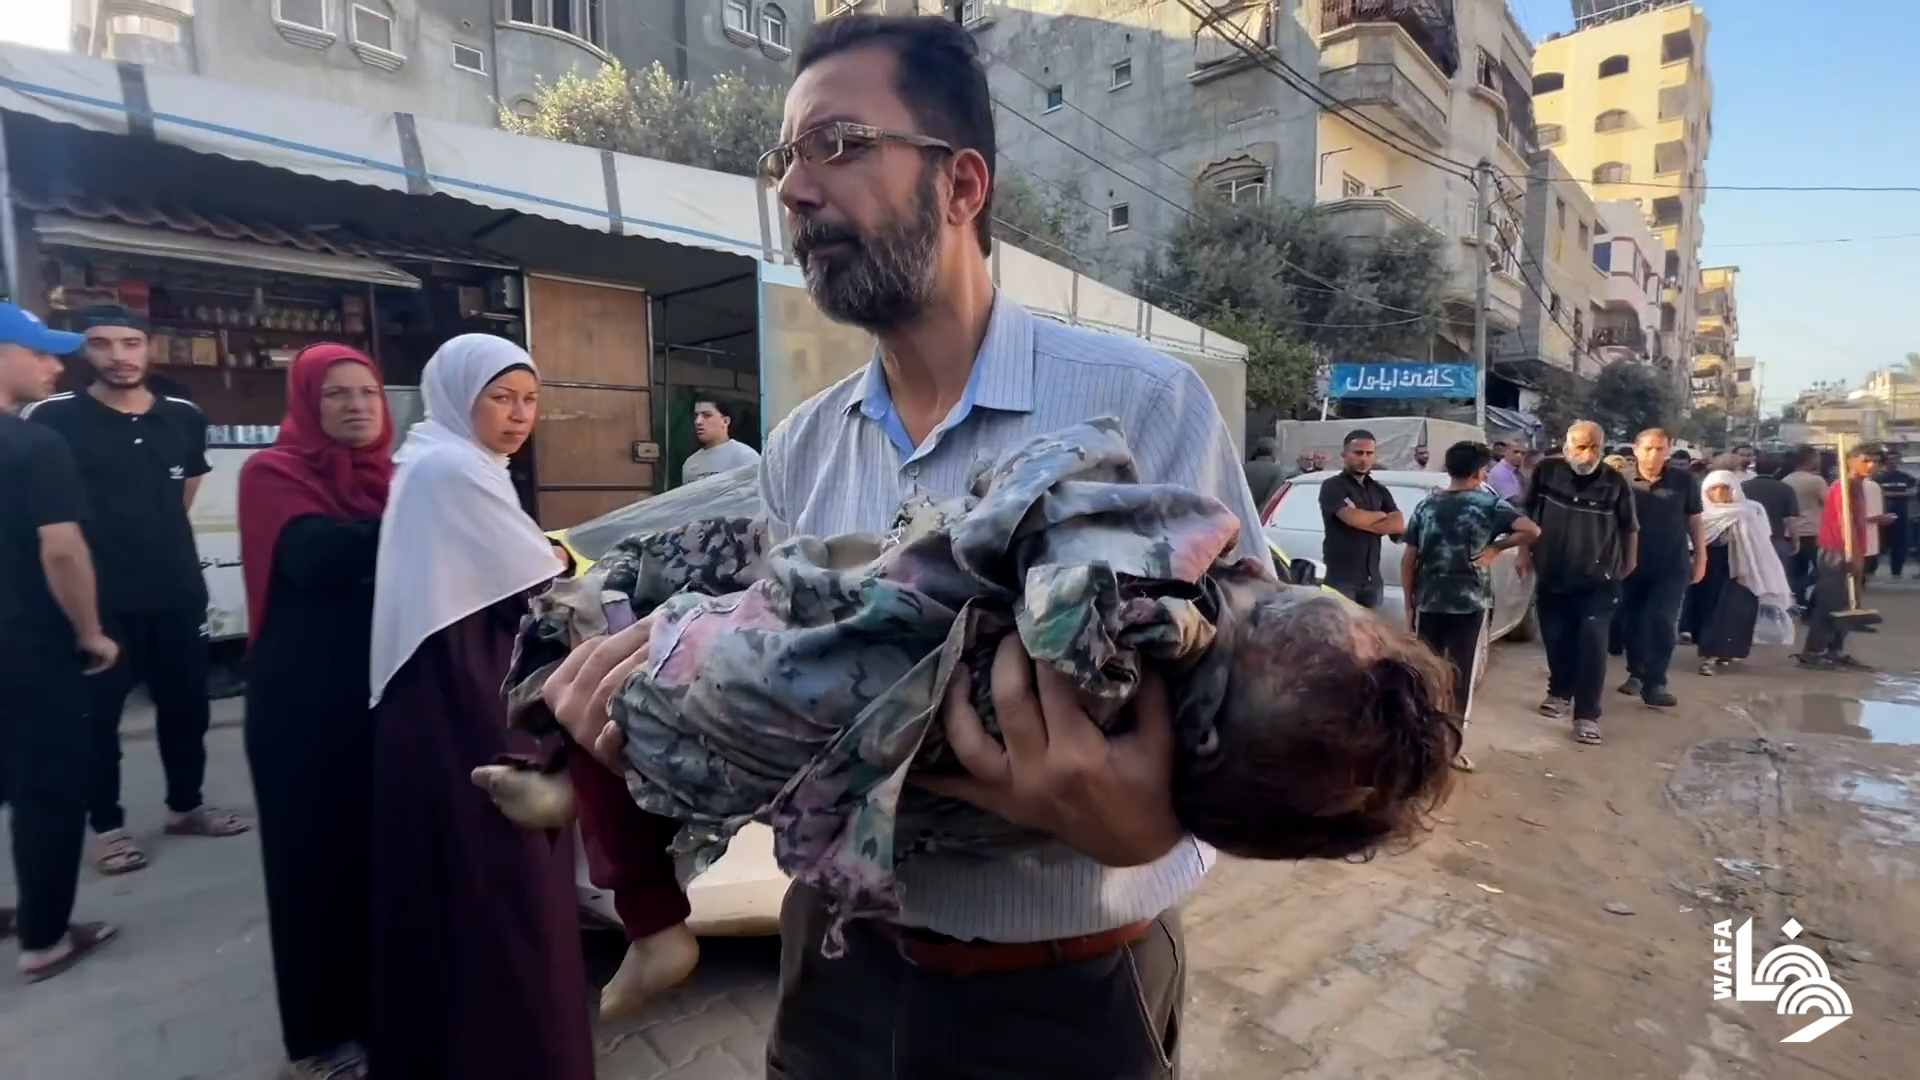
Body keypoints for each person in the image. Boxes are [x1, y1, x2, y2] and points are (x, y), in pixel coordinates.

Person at [543, 16, 1271, 1076]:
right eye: (785, 160)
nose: (796, 190)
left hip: (1066, 993)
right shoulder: (802, 447)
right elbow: (797, 709)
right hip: (833, 970)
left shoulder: (1144, 404)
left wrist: (1139, 827)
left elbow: (1244, 725)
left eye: (838, 144)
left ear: (961, 184)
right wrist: (662, 720)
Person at [365, 335, 592, 1079]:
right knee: (507, 876)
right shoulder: (453, 469)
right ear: (461, 397)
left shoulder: (441, 458)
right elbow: (538, 579)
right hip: (470, 694)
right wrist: (571, 565)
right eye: (501, 398)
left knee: (462, 883)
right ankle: (525, 1056)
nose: (519, 415)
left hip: (449, 689)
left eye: (530, 400)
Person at [21, 304, 247, 875]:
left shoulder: (184, 417)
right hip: (97, 602)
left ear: (149, 347)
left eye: (130, 343)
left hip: (177, 590)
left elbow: (182, 496)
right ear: (83, 351)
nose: (119, 356)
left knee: (187, 708)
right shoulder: (52, 416)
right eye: (102, 343)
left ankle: (186, 807)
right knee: (98, 721)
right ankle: (108, 827)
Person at [237, 345, 393, 1079]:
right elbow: (317, 557)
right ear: (307, 402)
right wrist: (435, 517)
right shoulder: (272, 473)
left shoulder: (394, 479)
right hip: (300, 709)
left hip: (378, 699)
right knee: (310, 870)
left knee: (374, 863)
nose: (356, 406)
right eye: (336, 394)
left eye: (367, 393)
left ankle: (380, 1015)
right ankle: (321, 1038)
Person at [0, 303, 119, 982]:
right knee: (46, 791)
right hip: (27, 649)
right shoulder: (34, 445)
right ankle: (44, 940)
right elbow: (63, 550)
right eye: (40, 352)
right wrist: (90, 632)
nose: (55, 367)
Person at [1401, 441, 1539, 772]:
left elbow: (1409, 558)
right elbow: (1532, 530)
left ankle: (1420, 744)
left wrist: (1409, 603)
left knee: (1427, 675)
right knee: (1460, 677)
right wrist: (1496, 548)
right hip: (1470, 603)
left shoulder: (1427, 505)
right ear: (1480, 472)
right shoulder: (1489, 504)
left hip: (1430, 601)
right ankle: (1451, 749)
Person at [1521, 420, 1637, 746]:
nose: (1587, 454)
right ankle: (1560, 692)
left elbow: (1629, 527)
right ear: (1566, 447)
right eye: (1581, 446)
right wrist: (1524, 553)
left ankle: (1587, 715)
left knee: (1593, 646)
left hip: (1598, 580)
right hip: (1553, 573)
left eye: (1594, 447)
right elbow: (1527, 514)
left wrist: (1630, 562)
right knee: (1556, 640)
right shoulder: (1546, 472)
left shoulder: (1615, 482)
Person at [1615, 429, 1703, 709]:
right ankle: (1636, 672)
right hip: (1630, 563)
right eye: (1648, 448)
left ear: (1668, 450)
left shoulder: (1683, 481)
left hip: (1672, 564)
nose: (1654, 455)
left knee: (1663, 620)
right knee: (1633, 620)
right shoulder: (1621, 481)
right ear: (1636, 449)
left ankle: (1656, 682)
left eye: (1660, 449)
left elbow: (1695, 521)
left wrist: (1701, 557)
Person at [1685, 471, 1793, 676]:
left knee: (1735, 613)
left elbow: (1760, 543)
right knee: (1709, 611)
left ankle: (1725, 652)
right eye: (1713, 489)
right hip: (1709, 570)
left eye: (1724, 488)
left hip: (1741, 571)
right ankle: (1709, 655)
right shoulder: (1701, 513)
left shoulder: (1749, 512)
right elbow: (1691, 541)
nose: (1719, 493)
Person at [1799, 443, 1878, 671]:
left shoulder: (1858, 486)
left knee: (1846, 604)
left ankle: (1833, 651)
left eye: (1874, 461)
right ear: (1851, 461)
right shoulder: (1842, 487)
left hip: (1851, 550)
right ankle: (1813, 652)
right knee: (1830, 603)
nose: (1871, 465)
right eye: (1866, 460)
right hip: (1836, 550)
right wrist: (1855, 555)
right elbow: (1846, 524)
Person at [1319, 429, 1404, 608]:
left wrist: (1364, 520)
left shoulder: (1379, 489)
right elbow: (1352, 519)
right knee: (1340, 625)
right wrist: (1381, 516)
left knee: (1371, 626)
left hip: (1373, 580)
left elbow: (1398, 525)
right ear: (1344, 455)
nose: (1364, 459)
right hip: (1342, 580)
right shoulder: (1332, 486)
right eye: (1358, 453)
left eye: (1369, 453)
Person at [1783, 445, 1827, 608]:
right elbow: (1829, 503)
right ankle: (1804, 596)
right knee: (1820, 570)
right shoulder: (1816, 481)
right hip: (1813, 530)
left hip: (1792, 532)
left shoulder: (1786, 480)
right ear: (1810, 459)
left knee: (1798, 570)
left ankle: (1799, 600)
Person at [681, 397, 761, 484]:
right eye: (696, 416)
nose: (698, 421)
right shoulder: (691, 463)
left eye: (707, 415)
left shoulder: (744, 456)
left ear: (725, 421)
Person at [1742, 453, 1800, 571]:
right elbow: (1790, 520)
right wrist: (1796, 541)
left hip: (1750, 540)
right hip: (1776, 539)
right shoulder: (1785, 488)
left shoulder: (1743, 487)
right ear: (1777, 469)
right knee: (1778, 575)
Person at [1870, 449, 1914, 578]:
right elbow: (1875, 493)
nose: (1892, 461)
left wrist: (1890, 494)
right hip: (1881, 513)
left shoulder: (1905, 477)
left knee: (1899, 544)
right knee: (1877, 543)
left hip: (1900, 514)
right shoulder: (1877, 477)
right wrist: (1900, 494)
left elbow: (1912, 492)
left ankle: (1896, 572)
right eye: (1889, 459)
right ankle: (1870, 571)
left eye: (1895, 459)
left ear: (1899, 460)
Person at [1244, 435, 1287, 509]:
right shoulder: (1277, 471)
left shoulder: (1243, 468)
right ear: (1273, 452)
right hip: (1263, 513)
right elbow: (1274, 498)